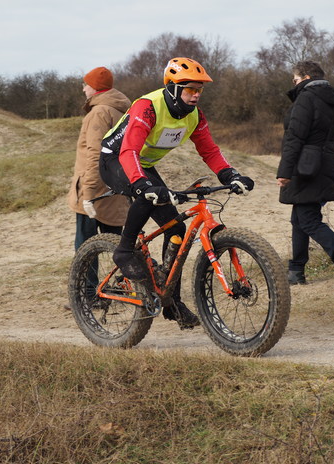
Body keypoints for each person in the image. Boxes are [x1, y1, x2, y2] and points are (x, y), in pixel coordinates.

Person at [98, 57, 254, 328]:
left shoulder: (195, 115)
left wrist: (230, 174)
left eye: (199, 90)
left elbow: (209, 150)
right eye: (190, 89)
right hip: (116, 158)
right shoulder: (148, 108)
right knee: (148, 197)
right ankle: (124, 251)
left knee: (176, 231)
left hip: (143, 163)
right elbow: (129, 151)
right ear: (172, 88)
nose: (196, 95)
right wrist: (142, 184)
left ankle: (171, 300)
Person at [276, 60, 334, 290]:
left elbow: (295, 137)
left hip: (307, 168)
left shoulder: (306, 98)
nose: (293, 84)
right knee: (299, 217)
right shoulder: (331, 100)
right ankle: (296, 270)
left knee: (308, 219)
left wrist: (284, 172)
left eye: (294, 80)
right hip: (325, 166)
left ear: (305, 77)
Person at [67, 66, 132, 251]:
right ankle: (125, 280)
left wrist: (88, 194)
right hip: (116, 189)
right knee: (119, 247)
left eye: (85, 85)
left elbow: (95, 155)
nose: (83, 89)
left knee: (85, 249)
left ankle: (86, 282)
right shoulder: (121, 111)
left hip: (95, 192)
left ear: (95, 87)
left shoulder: (99, 113)